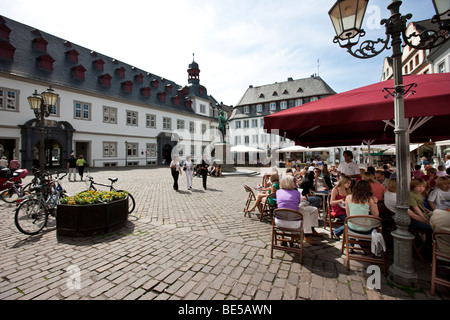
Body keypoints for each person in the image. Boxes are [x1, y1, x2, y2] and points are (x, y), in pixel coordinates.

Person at [276, 175, 320, 245]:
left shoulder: (278, 192)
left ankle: (283, 236)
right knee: (306, 213)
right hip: (294, 223)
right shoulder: (296, 193)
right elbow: (298, 202)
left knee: (307, 211)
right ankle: (307, 234)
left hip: (279, 221)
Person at [408, 178, 433, 246]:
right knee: (430, 227)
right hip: (415, 218)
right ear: (413, 186)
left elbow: (419, 205)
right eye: (419, 186)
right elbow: (415, 207)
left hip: (422, 215)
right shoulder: (410, 194)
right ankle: (428, 245)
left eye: (423, 187)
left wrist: (424, 209)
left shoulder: (419, 194)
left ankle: (429, 243)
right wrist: (423, 218)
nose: (421, 188)